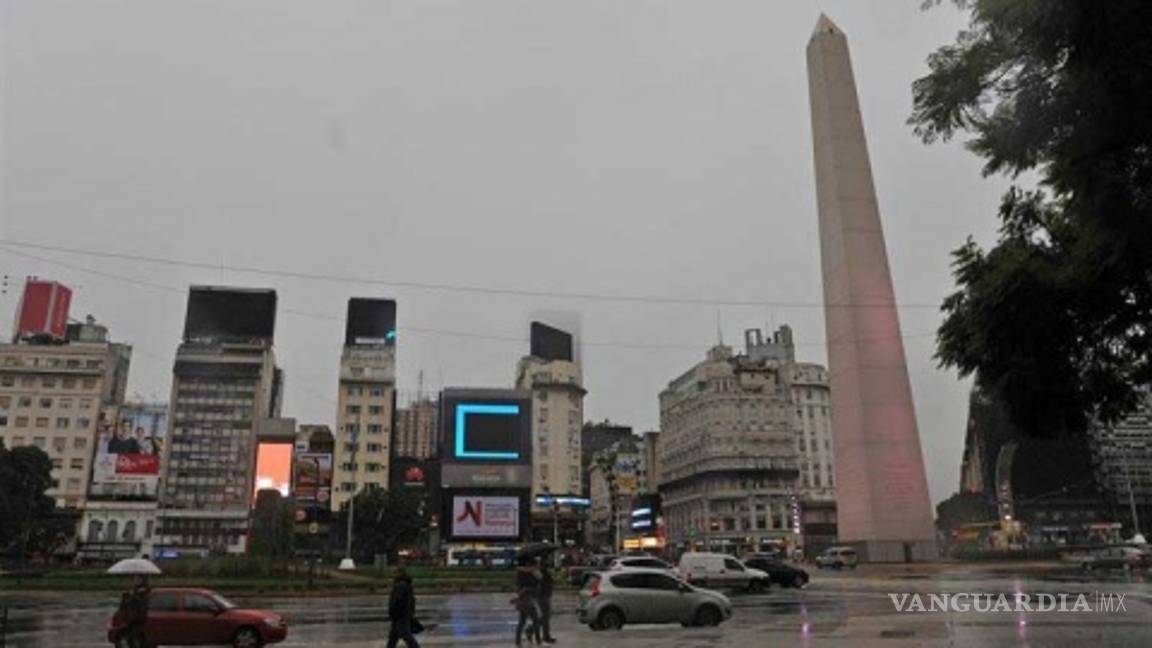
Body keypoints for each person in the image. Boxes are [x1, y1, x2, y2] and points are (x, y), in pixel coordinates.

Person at [387, 566, 421, 648]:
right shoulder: (406, 584)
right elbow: (412, 600)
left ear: (399, 574)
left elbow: (397, 600)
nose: (393, 575)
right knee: (393, 637)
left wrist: (393, 611)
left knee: (405, 635)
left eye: (395, 573)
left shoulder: (400, 585)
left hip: (400, 615)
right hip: (403, 614)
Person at [512, 559, 542, 645]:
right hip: (527, 600)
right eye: (536, 565)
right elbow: (529, 587)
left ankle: (518, 642)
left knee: (522, 621)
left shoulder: (521, 573)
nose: (538, 566)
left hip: (524, 600)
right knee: (535, 620)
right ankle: (538, 641)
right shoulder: (527, 574)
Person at [117, 574, 150, 648]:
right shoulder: (132, 591)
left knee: (138, 640)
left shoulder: (146, 591)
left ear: (142, 580)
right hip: (130, 619)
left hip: (139, 619)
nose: (135, 581)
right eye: (134, 579)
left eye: (137, 579)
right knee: (130, 639)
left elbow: (144, 604)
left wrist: (134, 596)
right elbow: (124, 605)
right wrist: (126, 596)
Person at [536, 558, 557, 643]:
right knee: (546, 616)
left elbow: (549, 582)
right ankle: (546, 636)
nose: (548, 563)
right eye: (547, 563)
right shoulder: (541, 572)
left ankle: (530, 629)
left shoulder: (545, 571)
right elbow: (542, 583)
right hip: (542, 595)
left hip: (545, 595)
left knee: (546, 616)